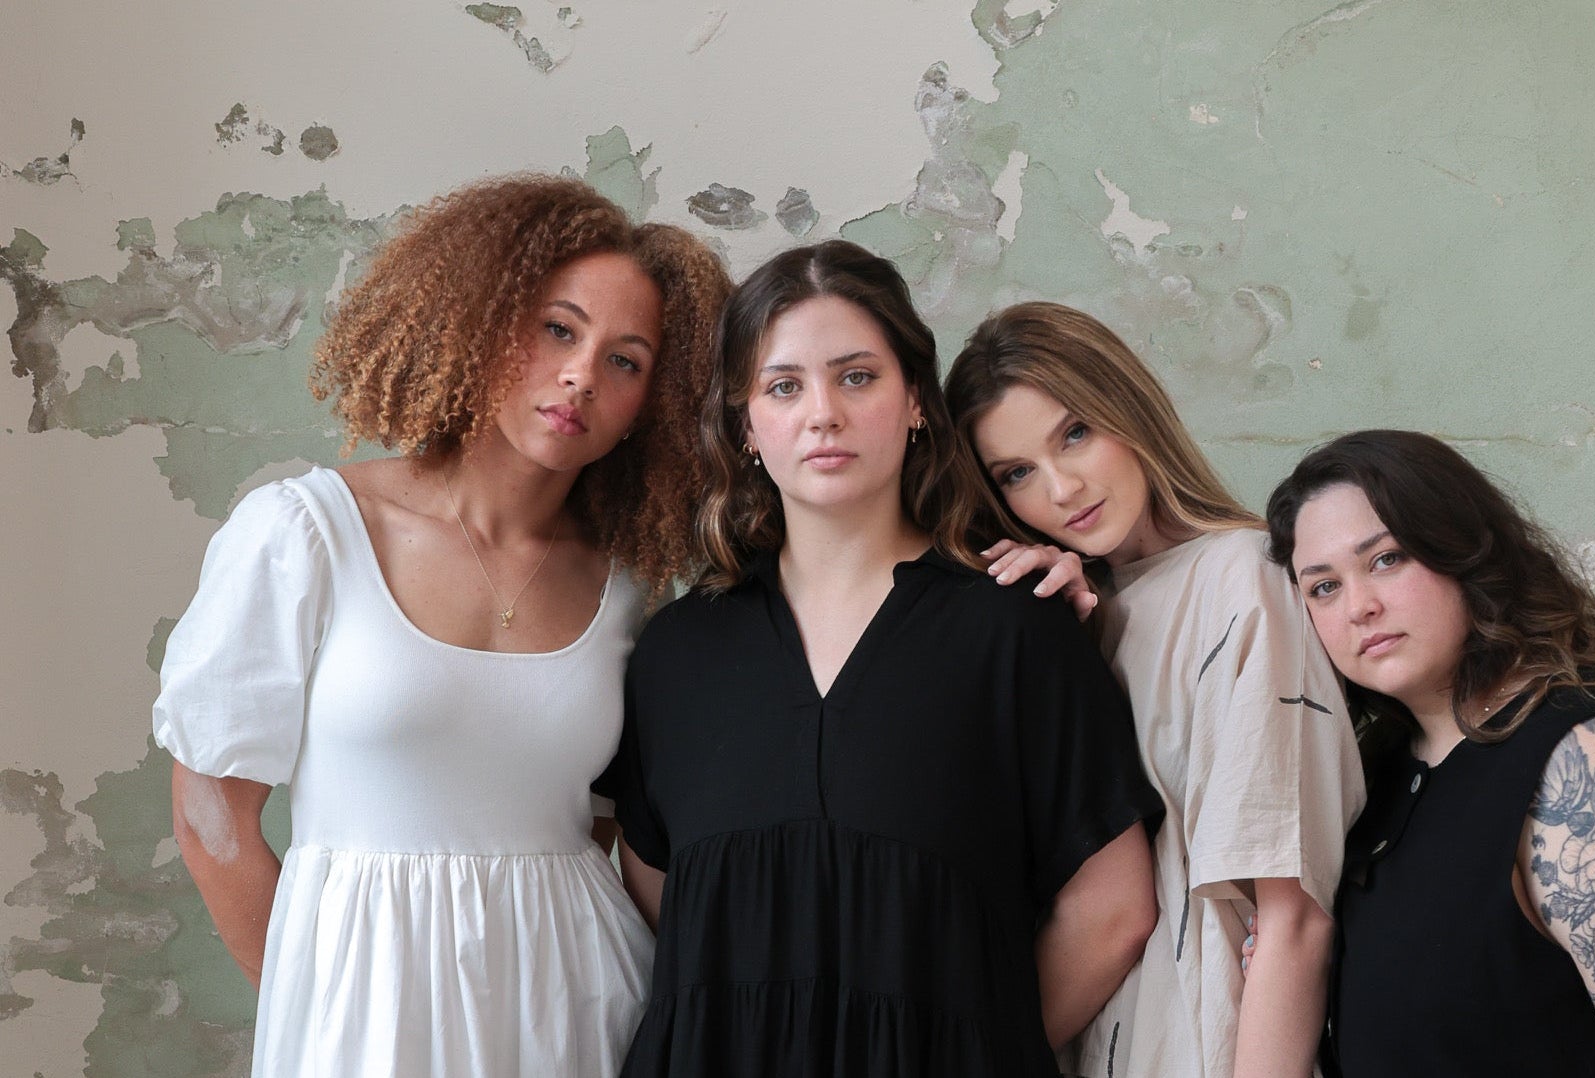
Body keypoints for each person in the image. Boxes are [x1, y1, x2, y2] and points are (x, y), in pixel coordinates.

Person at [154, 174, 730, 1077]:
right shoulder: (307, 533)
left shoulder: (626, 588)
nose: (580, 375)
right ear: (484, 323)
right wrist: (323, 1013)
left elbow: (600, 830)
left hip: (580, 1010)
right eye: (558, 329)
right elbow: (210, 821)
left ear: (651, 407)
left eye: (626, 361)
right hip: (364, 1019)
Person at [600, 241, 1164, 1077]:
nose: (822, 413)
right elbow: (665, 899)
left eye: (856, 377)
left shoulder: (1015, 630)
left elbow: (1112, 912)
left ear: (915, 403)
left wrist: (966, 1050)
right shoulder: (676, 653)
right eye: (783, 386)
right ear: (745, 425)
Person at [946, 301, 1366, 1078]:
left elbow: (1292, 917)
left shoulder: (1243, 580)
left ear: (1128, 408)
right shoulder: (1079, 616)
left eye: (1074, 433)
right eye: (1016, 474)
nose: (1062, 488)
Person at [1264, 429, 1595, 1078]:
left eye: (1386, 559)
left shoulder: (1594, 756)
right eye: (1323, 587)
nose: (1360, 606)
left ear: (1462, 551)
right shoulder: (1378, 774)